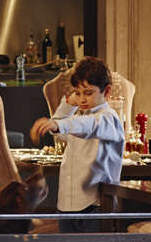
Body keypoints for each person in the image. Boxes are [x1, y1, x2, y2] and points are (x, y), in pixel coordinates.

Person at [31, 56, 127, 213]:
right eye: (77, 93)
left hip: (94, 205)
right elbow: (61, 133)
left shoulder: (109, 118)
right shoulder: (78, 117)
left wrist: (58, 125)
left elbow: (88, 125)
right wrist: (68, 104)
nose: (82, 99)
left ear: (107, 90)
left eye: (88, 93)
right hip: (66, 204)